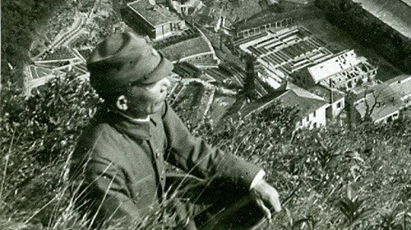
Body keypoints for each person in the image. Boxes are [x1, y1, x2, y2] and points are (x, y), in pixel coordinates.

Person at [71, 31, 282, 229]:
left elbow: (191, 150)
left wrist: (253, 180)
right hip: (146, 223)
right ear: (123, 102)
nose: (168, 84)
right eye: (153, 82)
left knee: (249, 197)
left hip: (164, 205)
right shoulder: (99, 163)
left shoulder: (151, 108)